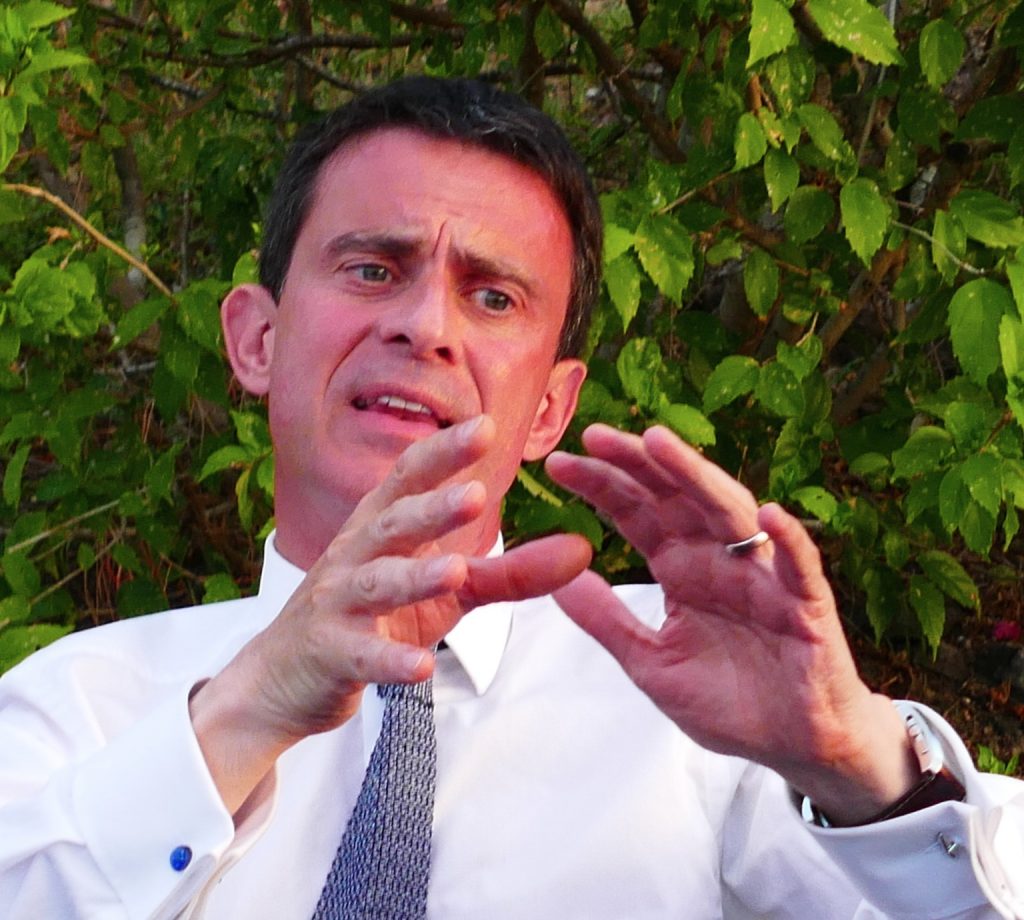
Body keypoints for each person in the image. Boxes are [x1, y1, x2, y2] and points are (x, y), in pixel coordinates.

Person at [1, 76, 1022, 920]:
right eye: (373, 268)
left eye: (493, 296)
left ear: (550, 409)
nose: (425, 326)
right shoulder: (75, 705)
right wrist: (244, 713)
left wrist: (859, 764)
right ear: (257, 339)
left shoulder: (702, 697)